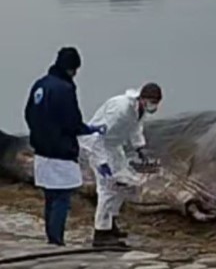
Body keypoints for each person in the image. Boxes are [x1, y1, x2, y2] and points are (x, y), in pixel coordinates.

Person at [24, 47, 107, 246]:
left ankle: (51, 237)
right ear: (72, 68)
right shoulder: (64, 88)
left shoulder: (40, 85)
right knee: (62, 197)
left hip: (41, 150)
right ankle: (57, 240)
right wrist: (90, 130)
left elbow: (28, 114)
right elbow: (72, 122)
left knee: (50, 197)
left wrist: (40, 133)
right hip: (60, 151)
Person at [79, 82, 163, 247]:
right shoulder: (120, 110)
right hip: (98, 146)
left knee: (126, 185)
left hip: (114, 147)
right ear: (143, 98)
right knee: (107, 189)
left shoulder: (138, 110)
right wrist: (101, 163)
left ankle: (111, 223)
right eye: (152, 101)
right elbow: (96, 136)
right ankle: (101, 233)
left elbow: (135, 128)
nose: (153, 106)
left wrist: (140, 148)